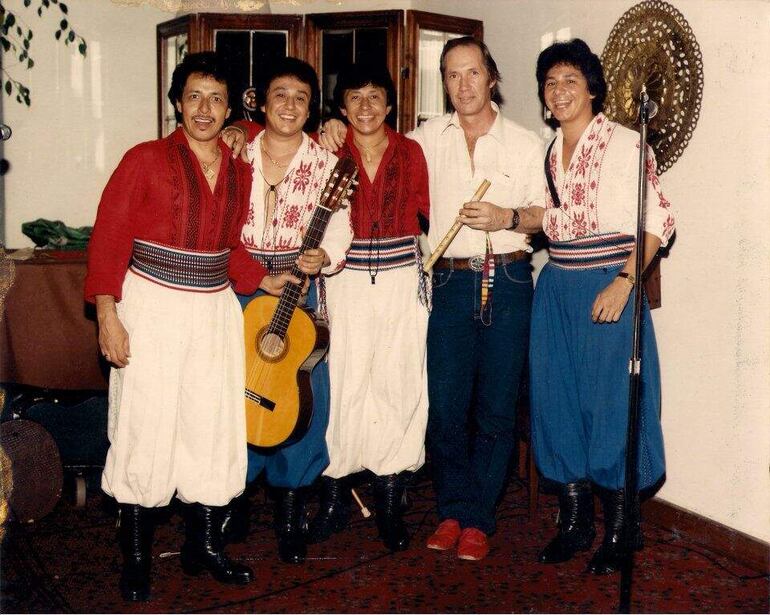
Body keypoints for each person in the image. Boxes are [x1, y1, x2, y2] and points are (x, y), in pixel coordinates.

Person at [84, 52, 297, 602]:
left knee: (211, 425)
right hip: (151, 309)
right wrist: (108, 316)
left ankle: (204, 546)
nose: (205, 109)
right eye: (194, 96)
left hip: (212, 312)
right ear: (177, 103)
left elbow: (229, 249)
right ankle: (136, 556)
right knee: (146, 426)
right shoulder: (143, 159)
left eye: (216, 99)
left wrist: (265, 279)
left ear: (230, 109)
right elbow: (108, 240)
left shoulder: (240, 169)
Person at [321, 36, 544, 561]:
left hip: (510, 279)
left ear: (491, 77)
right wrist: (330, 126)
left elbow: (544, 215)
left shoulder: (525, 142)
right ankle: (451, 510)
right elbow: (367, 133)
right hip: (446, 282)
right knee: (443, 407)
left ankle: (478, 518)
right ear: (443, 83)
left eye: (473, 72)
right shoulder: (423, 140)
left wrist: (507, 217)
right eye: (452, 75)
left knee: (495, 410)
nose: (464, 85)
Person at [505, 39, 675, 574]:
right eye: (550, 83)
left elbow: (658, 221)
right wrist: (506, 217)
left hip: (608, 283)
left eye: (571, 82)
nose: (559, 92)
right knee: (556, 402)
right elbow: (546, 216)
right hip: (557, 286)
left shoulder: (626, 143)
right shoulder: (547, 150)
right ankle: (575, 523)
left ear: (593, 89)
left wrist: (625, 282)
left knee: (610, 406)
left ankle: (623, 528)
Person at [304, 62, 431, 552]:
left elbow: (432, 210)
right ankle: (334, 500)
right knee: (343, 385)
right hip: (345, 280)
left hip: (401, 280)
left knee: (398, 384)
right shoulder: (326, 150)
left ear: (390, 104)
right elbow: (268, 138)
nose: (365, 107)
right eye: (354, 97)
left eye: (375, 96)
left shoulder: (412, 151)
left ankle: (391, 503)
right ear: (340, 108)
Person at [232, 57, 353, 565]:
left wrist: (324, 255)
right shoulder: (234, 152)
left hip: (300, 290)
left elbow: (342, 226)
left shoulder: (328, 163)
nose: (289, 105)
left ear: (311, 109)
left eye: (301, 97)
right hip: (240, 284)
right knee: (236, 392)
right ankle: (230, 498)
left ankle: (290, 511)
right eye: (279, 94)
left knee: (301, 399)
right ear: (261, 101)